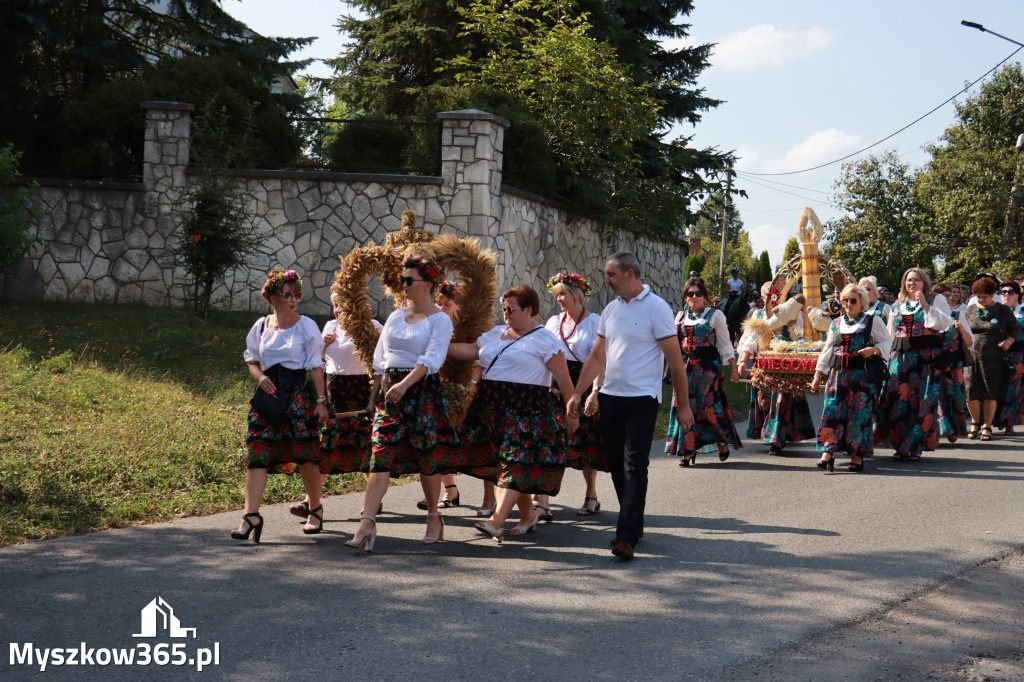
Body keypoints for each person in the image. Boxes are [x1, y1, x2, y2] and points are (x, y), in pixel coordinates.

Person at [567, 251, 694, 562]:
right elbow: (597, 357)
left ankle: (625, 536)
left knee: (635, 464)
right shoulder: (610, 310)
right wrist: (579, 393)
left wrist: (683, 406)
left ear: (630, 274)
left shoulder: (657, 309)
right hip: (610, 397)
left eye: (611, 275)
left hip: (642, 400)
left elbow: (675, 362)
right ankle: (633, 522)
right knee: (616, 464)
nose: (606, 280)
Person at [346, 256, 461, 551]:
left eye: (409, 280)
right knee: (379, 453)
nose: (404, 285)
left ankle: (434, 517)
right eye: (403, 280)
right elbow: (380, 361)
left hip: (422, 392)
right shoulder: (396, 316)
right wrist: (375, 395)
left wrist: (405, 384)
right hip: (390, 392)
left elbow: (432, 359)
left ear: (429, 284)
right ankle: (368, 521)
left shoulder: (440, 320)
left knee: (427, 456)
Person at [447, 285, 579, 542]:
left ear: (529, 310)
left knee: (515, 465)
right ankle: (528, 516)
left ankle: (496, 521)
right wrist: (436, 346)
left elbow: (563, 378)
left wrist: (570, 412)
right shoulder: (495, 334)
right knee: (503, 465)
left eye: (511, 309)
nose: (505, 314)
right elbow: (469, 352)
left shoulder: (545, 339)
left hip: (527, 414)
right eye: (504, 309)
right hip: (492, 413)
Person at [233, 269, 328, 543]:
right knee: (257, 454)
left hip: (297, 398)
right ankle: (250, 516)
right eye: (288, 294)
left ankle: (315, 508)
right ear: (272, 297)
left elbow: (315, 366)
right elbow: (252, 360)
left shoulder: (306, 325)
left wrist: (321, 402)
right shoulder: (261, 325)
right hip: (268, 398)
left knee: (306, 457)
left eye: (297, 294)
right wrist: (260, 377)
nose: (294, 299)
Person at [290, 293, 382, 522]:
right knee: (326, 443)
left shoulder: (372, 325)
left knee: (365, 444)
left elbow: (381, 365)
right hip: (334, 391)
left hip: (361, 389)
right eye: (335, 306)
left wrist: (373, 399)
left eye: (343, 305)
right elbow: (316, 360)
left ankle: (373, 500)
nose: (338, 310)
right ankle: (310, 502)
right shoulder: (330, 326)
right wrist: (323, 346)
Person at [540, 271, 605, 519]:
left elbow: (600, 362)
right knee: (551, 442)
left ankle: (591, 495)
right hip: (556, 388)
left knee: (585, 444)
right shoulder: (553, 323)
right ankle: (543, 502)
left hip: (585, 387)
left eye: (563, 294)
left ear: (576, 294)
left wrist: (595, 393)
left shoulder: (595, 322)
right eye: (556, 295)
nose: (559, 299)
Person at [809, 284, 891, 471]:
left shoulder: (873, 320)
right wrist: (818, 375)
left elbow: (887, 342)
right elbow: (828, 349)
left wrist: (874, 350)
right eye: (845, 300)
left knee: (859, 415)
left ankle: (857, 454)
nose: (848, 304)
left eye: (853, 300)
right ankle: (828, 451)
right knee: (831, 412)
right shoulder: (836, 323)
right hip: (838, 376)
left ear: (862, 302)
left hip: (862, 377)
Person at [878, 268, 952, 461]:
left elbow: (945, 324)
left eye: (916, 280)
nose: (912, 284)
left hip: (924, 360)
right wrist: (887, 360)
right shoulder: (897, 304)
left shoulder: (936, 300)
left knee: (920, 403)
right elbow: (891, 334)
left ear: (924, 282)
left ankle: (914, 446)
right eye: (908, 280)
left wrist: (926, 305)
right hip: (900, 359)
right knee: (897, 402)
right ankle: (899, 443)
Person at [666, 276, 742, 465]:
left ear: (705, 296)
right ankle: (688, 450)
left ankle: (721, 440)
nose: (694, 297)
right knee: (685, 405)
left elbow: (725, 345)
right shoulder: (681, 317)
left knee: (707, 406)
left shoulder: (714, 315)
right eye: (690, 294)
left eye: (698, 293)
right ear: (685, 297)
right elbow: (672, 343)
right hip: (687, 368)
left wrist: (734, 369)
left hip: (709, 368)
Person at [736, 282, 816, 456]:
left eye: (773, 295)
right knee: (763, 401)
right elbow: (749, 341)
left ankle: (777, 438)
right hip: (762, 363)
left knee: (781, 399)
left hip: (784, 362)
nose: (770, 298)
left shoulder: (790, 312)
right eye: (767, 295)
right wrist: (742, 361)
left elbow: (802, 333)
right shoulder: (757, 314)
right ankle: (773, 432)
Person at [963, 276, 1021, 441]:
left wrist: (1009, 341)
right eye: (979, 296)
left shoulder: (1003, 310)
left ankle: (986, 426)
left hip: (994, 357)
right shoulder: (970, 310)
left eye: (985, 297)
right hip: (971, 356)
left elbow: (1015, 329)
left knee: (990, 392)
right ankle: (974, 422)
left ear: (993, 294)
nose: (981, 300)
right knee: (970, 391)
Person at [931, 283, 973, 444]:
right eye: (943, 296)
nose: (948, 299)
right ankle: (942, 430)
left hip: (953, 365)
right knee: (935, 398)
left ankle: (953, 428)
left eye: (949, 295)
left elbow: (970, 342)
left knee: (954, 398)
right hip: (933, 363)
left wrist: (960, 329)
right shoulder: (926, 316)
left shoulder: (957, 314)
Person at [994, 281, 1024, 434]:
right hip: (998, 354)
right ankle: (999, 419)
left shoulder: (1022, 311)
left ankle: (1009, 422)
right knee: (999, 388)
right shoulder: (995, 311)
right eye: (1003, 292)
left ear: (1017, 295)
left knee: (1014, 389)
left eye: (1010, 292)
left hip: (1019, 355)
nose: (1006, 294)